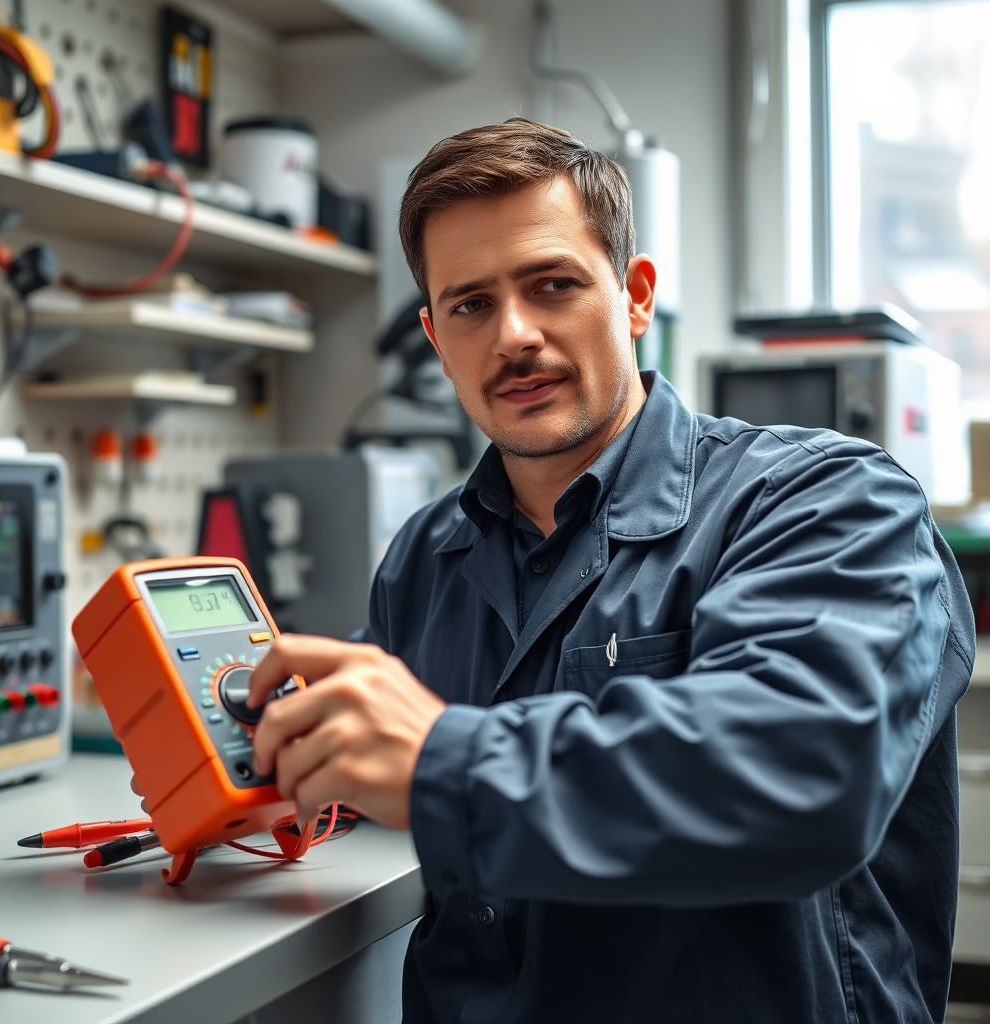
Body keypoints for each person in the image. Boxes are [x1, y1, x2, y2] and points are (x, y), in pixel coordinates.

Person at [246, 119, 974, 1023]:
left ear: (633, 297)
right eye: (471, 305)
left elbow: (803, 777)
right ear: (436, 339)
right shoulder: (428, 556)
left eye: (552, 285)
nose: (515, 335)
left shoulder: (824, 500)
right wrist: (243, 754)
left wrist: (441, 762)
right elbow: (359, 745)